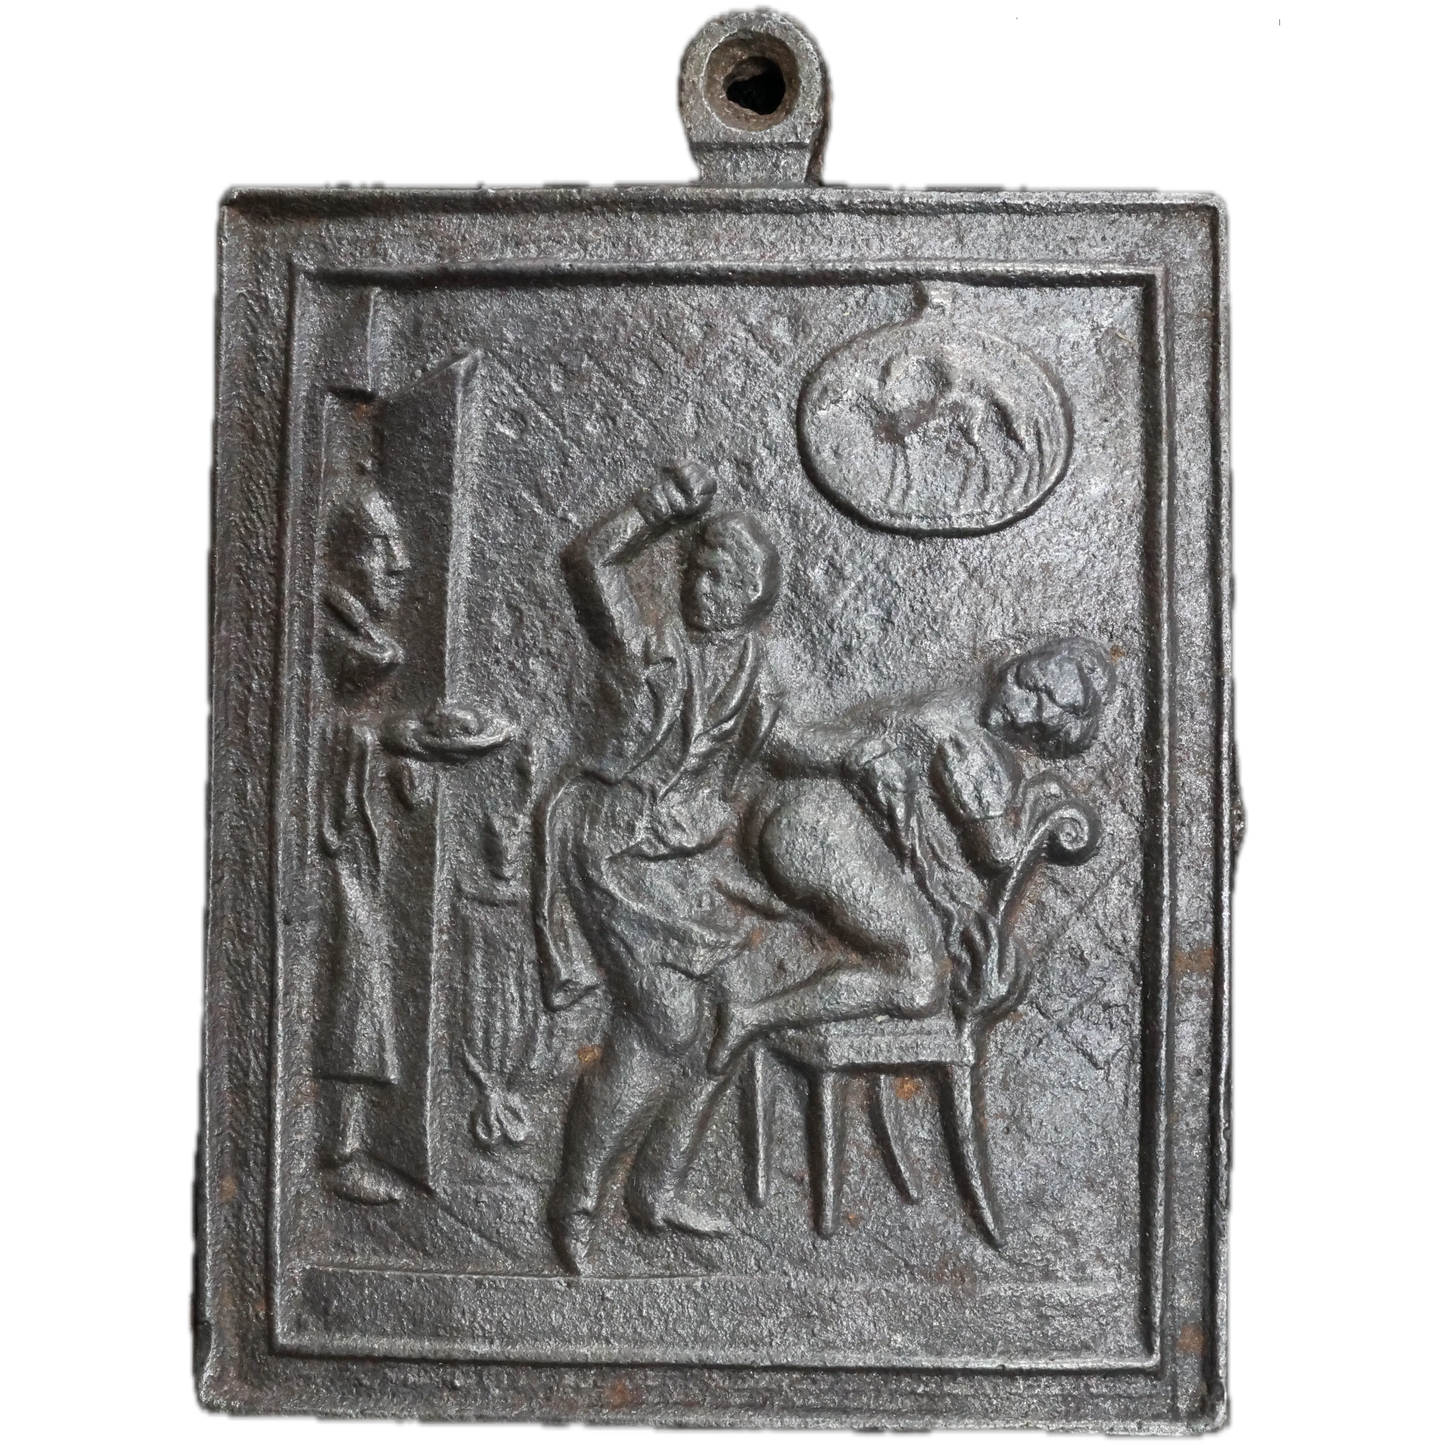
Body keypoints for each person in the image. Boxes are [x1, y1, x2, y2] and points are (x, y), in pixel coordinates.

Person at [535, 463, 784, 1271]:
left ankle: (656, 1190)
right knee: (666, 1022)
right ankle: (575, 1204)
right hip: (608, 846)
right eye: (696, 571)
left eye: (723, 579)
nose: (703, 588)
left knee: (736, 1008)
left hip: (681, 859)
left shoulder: (751, 674)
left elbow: (773, 750)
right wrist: (654, 507)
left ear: (752, 593)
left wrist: (869, 752)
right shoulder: (645, 648)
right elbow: (587, 561)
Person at [707, 637, 1115, 1073]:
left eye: (1038, 721)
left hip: (800, 815)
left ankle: (756, 1018)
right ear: (1019, 670)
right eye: (1028, 691)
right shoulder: (971, 747)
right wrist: (1044, 805)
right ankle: (750, 1017)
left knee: (920, 968)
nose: (1023, 713)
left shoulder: (942, 704)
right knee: (918, 979)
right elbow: (997, 851)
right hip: (820, 831)